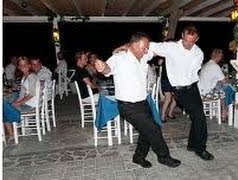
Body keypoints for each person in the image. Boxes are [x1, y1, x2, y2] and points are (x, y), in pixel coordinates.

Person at [94, 32, 181, 168]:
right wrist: (102, 67)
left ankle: (138, 157)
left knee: (146, 130)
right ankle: (164, 157)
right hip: (128, 106)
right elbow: (108, 68)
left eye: (147, 48)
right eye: (144, 48)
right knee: (154, 129)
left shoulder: (144, 54)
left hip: (142, 103)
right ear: (134, 46)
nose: (147, 51)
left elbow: (158, 48)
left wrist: (177, 45)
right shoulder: (119, 57)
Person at [148, 24, 214, 161]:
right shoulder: (171, 48)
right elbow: (148, 45)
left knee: (198, 117)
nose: (188, 44)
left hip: (192, 88)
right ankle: (200, 148)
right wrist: (128, 47)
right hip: (179, 90)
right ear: (182, 36)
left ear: (197, 39)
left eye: (192, 41)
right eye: (186, 40)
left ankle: (192, 145)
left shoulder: (199, 53)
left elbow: (193, 73)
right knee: (200, 117)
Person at [3, 56, 38, 143]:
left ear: (29, 65)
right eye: (21, 65)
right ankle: (12, 132)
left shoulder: (31, 76)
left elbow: (32, 94)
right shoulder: (24, 78)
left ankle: (15, 125)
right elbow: (21, 95)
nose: (23, 67)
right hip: (27, 103)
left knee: (4, 107)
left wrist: (18, 103)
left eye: (25, 65)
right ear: (18, 67)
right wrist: (16, 102)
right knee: (5, 105)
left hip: (31, 105)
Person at [198, 48, 228, 120]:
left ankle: (219, 112)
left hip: (199, 91)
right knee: (224, 93)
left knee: (219, 90)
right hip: (205, 94)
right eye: (221, 56)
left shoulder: (207, 64)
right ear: (219, 57)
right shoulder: (215, 66)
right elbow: (224, 81)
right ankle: (223, 114)